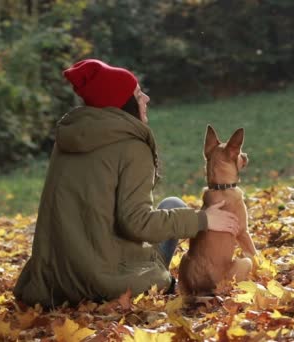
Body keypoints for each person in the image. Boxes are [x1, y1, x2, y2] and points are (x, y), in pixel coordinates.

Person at [13, 59, 239, 308]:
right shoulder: (132, 147)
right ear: (124, 104)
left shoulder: (68, 139)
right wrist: (202, 220)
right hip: (102, 280)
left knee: (172, 203)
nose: (146, 99)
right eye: (139, 94)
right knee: (175, 210)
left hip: (55, 279)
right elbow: (136, 223)